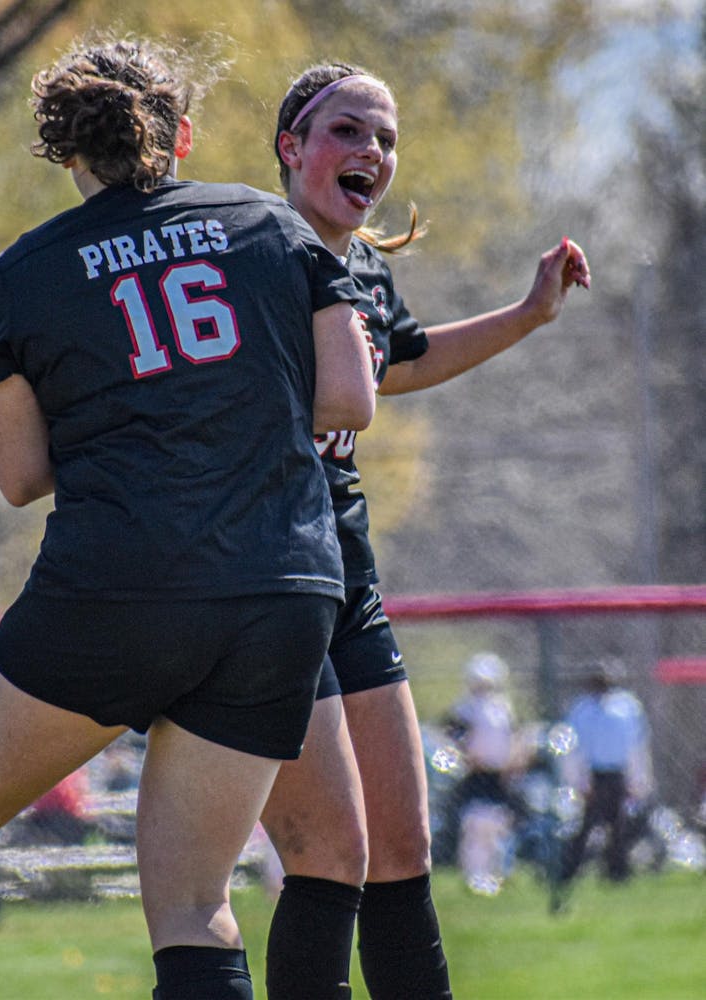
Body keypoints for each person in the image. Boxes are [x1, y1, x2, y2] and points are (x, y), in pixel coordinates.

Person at [0, 35, 376, 1000]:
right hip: (280, 587)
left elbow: (21, 476)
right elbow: (349, 400)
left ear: (65, 149)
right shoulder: (271, 223)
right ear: (182, 137)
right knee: (195, 903)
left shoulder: (29, 271)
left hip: (118, 582)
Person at [258, 63, 591, 999]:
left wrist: (531, 314)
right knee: (331, 858)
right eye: (347, 130)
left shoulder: (363, 267)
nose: (371, 150)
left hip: (346, 577)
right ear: (290, 146)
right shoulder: (248, 254)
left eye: (386, 138)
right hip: (258, 581)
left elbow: (400, 364)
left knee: (401, 851)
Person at [559, 661, 653, 883]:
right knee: (587, 824)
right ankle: (570, 869)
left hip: (618, 774)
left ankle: (617, 871)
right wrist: (578, 781)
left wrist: (638, 777)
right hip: (593, 774)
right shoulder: (581, 709)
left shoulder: (627, 707)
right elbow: (574, 748)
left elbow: (636, 745)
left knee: (619, 824)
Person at [444, 653, 520, 894]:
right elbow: (453, 739)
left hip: (498, 776)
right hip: (475, 775)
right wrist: (465, 757)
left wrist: (512, 763)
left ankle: (496, 874)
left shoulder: (502, 709)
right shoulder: (465, 709)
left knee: (497, 824)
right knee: (475, 824)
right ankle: (474, 875)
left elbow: (512, 740)